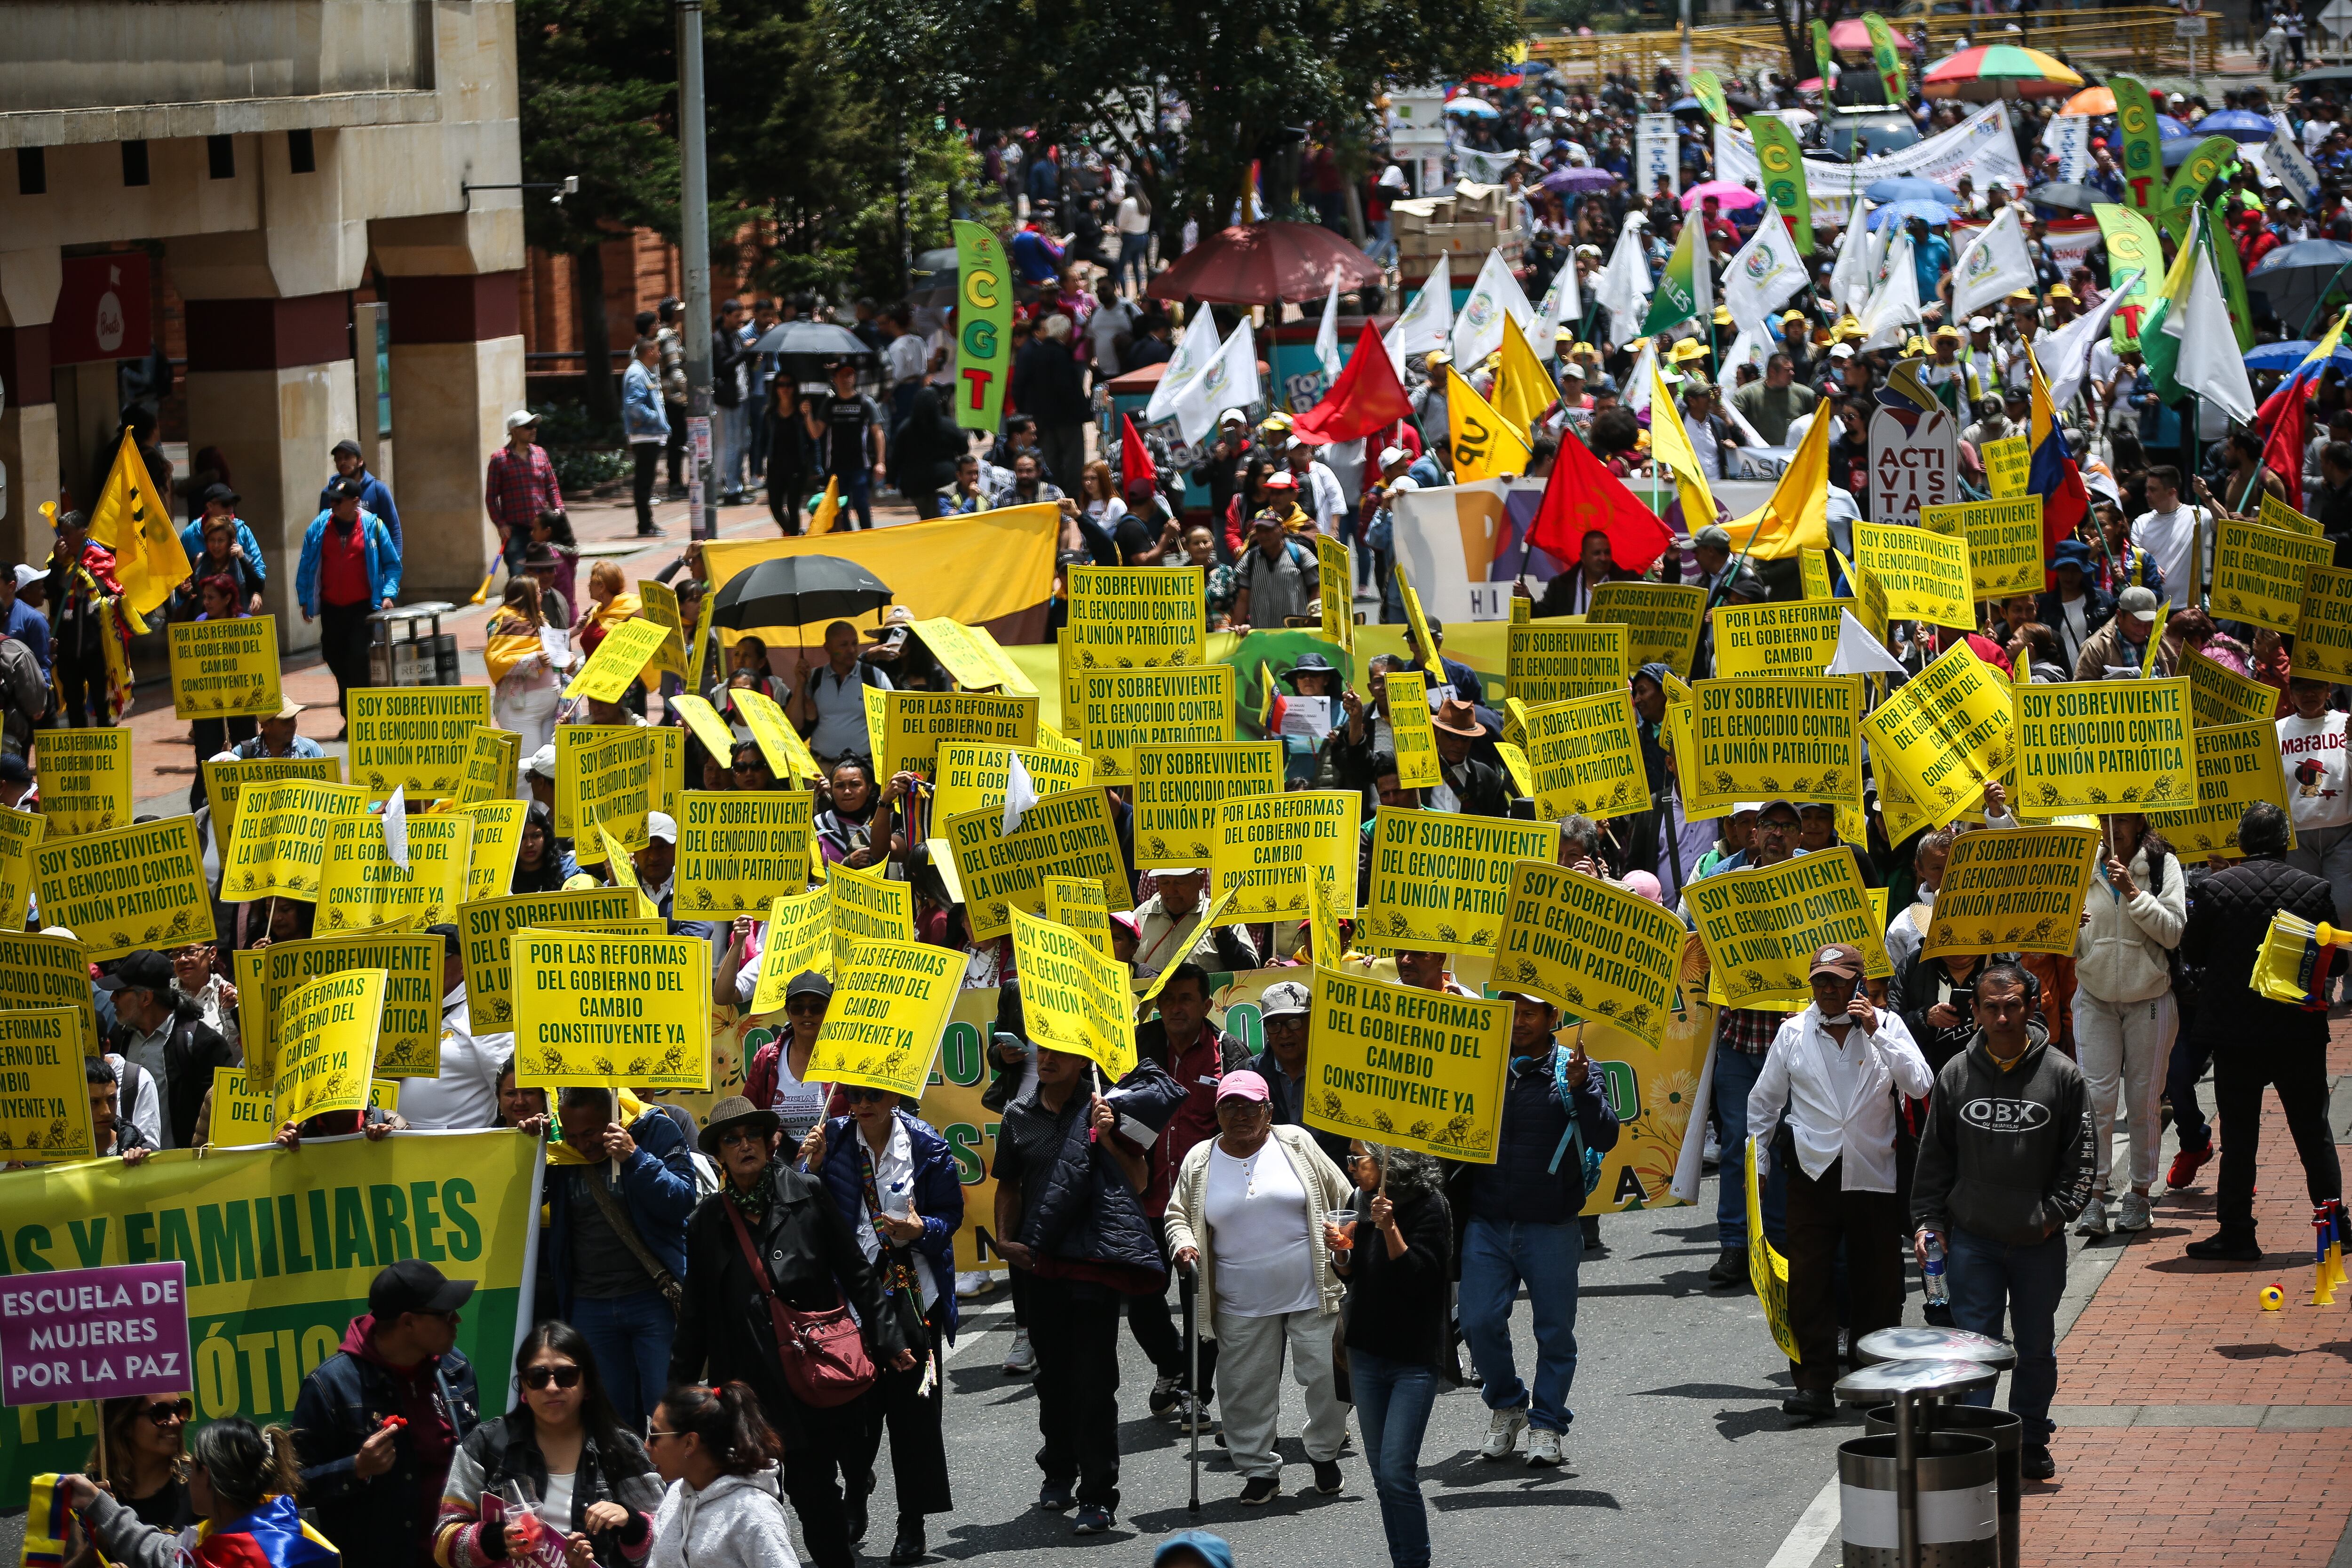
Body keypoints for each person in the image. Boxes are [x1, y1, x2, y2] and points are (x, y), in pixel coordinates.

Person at [670, 1097, 912, 1568]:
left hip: (815, 1374)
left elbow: (856, 1272)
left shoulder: (806, 1193)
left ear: (769, 1141)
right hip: (747, 1391)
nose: (744, 1147)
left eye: (751, 1137)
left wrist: (889, 1337)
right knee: (760, 1501)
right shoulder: (705, 1223)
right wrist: (676, 1395)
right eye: (732, 1141)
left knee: (817, 1491)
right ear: (720, 1155)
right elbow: (695, 1316)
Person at [1911, 960, 2094, 1483]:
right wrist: (1928, 1221)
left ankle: (2031, 1440)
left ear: (2030, 1007)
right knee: (1974, 1350)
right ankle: (1976, 1444)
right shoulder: (1955, 1074)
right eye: (1990, 1007)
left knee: (2035, 1346)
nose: (2002, 1017)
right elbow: (1934, 1159)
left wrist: (2050, 1216)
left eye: (2012, 1005)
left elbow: (2082, 1161)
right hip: (1973, 1243)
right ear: (1975, 1012)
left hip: (2038, 1245)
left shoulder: (2062, 1075)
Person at [1748, 943, 1933, 1423]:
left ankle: (1875, 1379)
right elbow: (1763, 1105)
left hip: (1873, 1169)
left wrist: (1877, 1033)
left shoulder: (1888, 1026)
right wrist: (1759, 1168)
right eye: (1819, 981)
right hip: (1811, 1172)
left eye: (1836, 980)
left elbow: (1920, 1084)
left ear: (1857, 983)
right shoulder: (1791, 1032)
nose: (1827, 989)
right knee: (1808, 1280)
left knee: (1878, 1280)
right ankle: (1812, 1384)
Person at [992, 1043, 1160, 1536]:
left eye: (1060, 1054)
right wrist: (1005, 1241)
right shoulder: (1016, 1116)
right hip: (1038, 1264)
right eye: (1041, 1052)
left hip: (1093, 1264)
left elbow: (1140, 1181)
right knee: (1052, 1379)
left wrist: (1109, 1138)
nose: (1047, 1061)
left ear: (1081, 1060)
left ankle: (1098, 1494)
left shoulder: (1107, 1107)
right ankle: (1058, 1470)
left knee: (1092, 1381)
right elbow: (1007, 1185)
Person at [1445, 992, 1617, 1465]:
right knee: (1478, 1322)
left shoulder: (1576, 1070)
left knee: (1554, 1332)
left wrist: (1582, 1090)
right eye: (1511, 1013)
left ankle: (1546, 1424)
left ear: (1551, 1018)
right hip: (1487, 1222)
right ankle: (1506, 1405)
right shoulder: (1481, 1065)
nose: (1518, 1023)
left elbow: (1605, 1135)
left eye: (1529, 1014)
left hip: (1552, 1225)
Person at [1165, 1070, 1353, 1504]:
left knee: (1328, 1377)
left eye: (1251, 1106)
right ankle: (1259, 1469)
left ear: (1269, 1111)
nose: (1241, 1115)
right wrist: (1185, 1243)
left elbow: (1343, 1194)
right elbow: (1177, 1215)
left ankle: (1324, 1453)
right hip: (1239, 1300)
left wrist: (1346, 1236)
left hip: (1312, 1289)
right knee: (1244, 1390)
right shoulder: (1200, 1159)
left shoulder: (1295, 1143)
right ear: (1217, 1114)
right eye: (1230, 1106)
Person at [802, 1086, 963, 1564]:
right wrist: (809, 1169)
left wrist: (920, 1231)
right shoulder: (829, 1139)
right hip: (849, 1301)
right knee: (852, 1412)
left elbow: (949, 1216)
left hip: (915, 1299)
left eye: (874, 1095)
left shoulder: (927, 1144)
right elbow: (799, 1209)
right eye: (855, 1095)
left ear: (894, 1097)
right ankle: (855, 1489)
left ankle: (911, 1524)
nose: (863, 1104)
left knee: (915, 1415)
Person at [2180, 802, 2345, 1259]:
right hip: (2298, 1033)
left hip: (2236, 1036)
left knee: (2238, 1137)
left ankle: (2237, 1232)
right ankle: (2334, 1229)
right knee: (2313, 1134)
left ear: (2240, 841)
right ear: (2284, 840)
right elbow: (2338, 960)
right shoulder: (2314, 888)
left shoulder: (2214, 889)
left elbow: (2191, 950)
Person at [293, 1260, 484, 1568]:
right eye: (446, 1313)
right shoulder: (330, 1386)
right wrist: (355, 1468)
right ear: (408, 1322)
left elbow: (475, 1465)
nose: (458, 1319)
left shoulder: (456, 1369)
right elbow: (293, 1486)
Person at [432, 1321, 662, 1568]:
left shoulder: (621, 1448)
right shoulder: (485, 1444)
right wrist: (497, 1541)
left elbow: (664, 1543)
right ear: (523, 1385)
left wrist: (632, 1524)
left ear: (587, 1384)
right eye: (538, 1377)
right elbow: (444, 1546)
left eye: (566, 1376)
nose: (552, 1388)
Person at [1325, 1138, 1453, 1568]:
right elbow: (1352, 1274)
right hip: (1366, 1351)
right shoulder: (1358, 1200)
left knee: (1398, 1472)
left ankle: (1416, 1562)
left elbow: (1421, 1279)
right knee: (1382, 1476)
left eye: (1356, 1159)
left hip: (1413, 1357)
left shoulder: (1429, 1204)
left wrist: (1390, 1228)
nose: (1351, 1168)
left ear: (1387, 1160)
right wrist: (1341, 1250)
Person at [540, 1084, 696, 1426]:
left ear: (612, 1119)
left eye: (590, 1134)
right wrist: (529, 1142)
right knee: (609, 1418)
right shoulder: (556, 1147)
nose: (582, 1146)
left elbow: (682, 1200)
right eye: (573, 1136)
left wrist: (636, 1158)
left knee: (667, 1414)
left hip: (652, 1299)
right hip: (589, 1304)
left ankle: (671, 1481)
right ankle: (625, 1480)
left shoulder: (656, 1128)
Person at [1696, 799, 1803, 1286]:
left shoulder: (1818, 882)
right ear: (1752, 833)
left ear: (1800, 837)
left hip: (1796, 1046)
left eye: (1786, 827)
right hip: (1740, 1040)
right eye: (1768, 826)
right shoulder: (1720, 880)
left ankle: (1780, 1245)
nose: (1776, 834)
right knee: (1742, 1143)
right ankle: (1735, 1245)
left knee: (1787, 1146)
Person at [2069, 816, 2184, 1238]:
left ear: (2138, 821)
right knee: (2096, 1100)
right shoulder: (2081, 862)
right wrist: (2071, 928)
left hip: (2149, 999)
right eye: (2103, 820)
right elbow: (2060, 938)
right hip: (2095, 997)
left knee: (2143, 1101)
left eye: (2118, 820)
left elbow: (2172, 932)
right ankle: (2094, 1196)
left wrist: (2133, 893)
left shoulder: (2162, 864)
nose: (2109, 828)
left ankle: (2139, 1191)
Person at [59, 1418, 319, 1568]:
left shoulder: (239, 1558)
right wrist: (97, 1500)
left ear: (205, 1475)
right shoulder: (271, 1526)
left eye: (192, 1466)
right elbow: (164, 1551)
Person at [643, 1385, 799, 1568]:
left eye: (654, 1435)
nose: (646, 1445)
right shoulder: (676, 1496)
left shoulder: (754, 1515)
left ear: (690, 1443)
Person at [100, 948, 238, 1150]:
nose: (113, 999)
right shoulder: (120, 1039)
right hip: (127, 1170)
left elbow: (220, 1116)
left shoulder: (203, 1044)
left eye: (120, 992)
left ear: (146, 999)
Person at [296, 476, 403, 724]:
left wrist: (388, 594)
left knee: (358, 657)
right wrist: (305, 598)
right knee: (333, 655)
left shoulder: (373, 526)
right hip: (332, 606)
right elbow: (306, 565)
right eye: (331, 498)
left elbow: (392, 565)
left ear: (356, 502)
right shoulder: (320, 526)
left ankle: (358, 720)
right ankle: (354, 709)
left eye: (339, 500)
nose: (332, 503)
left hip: (362, 607)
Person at [400, 925, 507, 1131]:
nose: (427, 964)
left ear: (464, 965)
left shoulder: (484, 1014)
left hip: (459, 1149)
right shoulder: (403, 1009)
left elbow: (510, 1087)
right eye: (423, 957)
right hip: (394, 1144)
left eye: (439, 957)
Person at [1245, 980, 1350, 1163]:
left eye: (1294, 1023)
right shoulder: (1250, 1075)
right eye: (1274, 1026)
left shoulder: (1341, 1070)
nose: (1284, 1034)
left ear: (1313, 1021)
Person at [46, 508, 131, 728]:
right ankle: (80, 754)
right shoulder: (57, 562)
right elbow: (47, 591)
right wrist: (57, 565)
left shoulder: (100, 559)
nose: (62, 538)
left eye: (67, 533)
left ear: (84, 533)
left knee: (103, 706)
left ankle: (105, 746)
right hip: (67, 649)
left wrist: (86, 573)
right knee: (74, 706)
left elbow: (113, 591)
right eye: (61, 533)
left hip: (98, 647)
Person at [76, 1390, 192, 1540]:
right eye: (160, 1413)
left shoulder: (199, 1484)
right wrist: (99, 1540)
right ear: (125, 1425)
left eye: (180, 1410)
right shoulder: (93, 1492)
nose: (176, 1421)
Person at [484, 577, 568, 773]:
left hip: (549, 710)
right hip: (520, 711)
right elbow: (497, 661)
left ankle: (546, 806)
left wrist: (568, 658)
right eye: (538, 592)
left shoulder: (539, 619)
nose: (541, 595)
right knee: (528, 770)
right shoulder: (503, 622)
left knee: (549, 769)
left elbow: (552, 650)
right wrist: (533, 660)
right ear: (527, 596)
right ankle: (527, 806)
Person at [795, 621, 891, 763]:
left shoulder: (874, 676)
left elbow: (893, 720)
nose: (852, 650)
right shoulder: (814, 678)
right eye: (844, 645)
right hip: (821, 767)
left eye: (855, 643)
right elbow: (794, 724)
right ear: (827, 648)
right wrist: (800, 684)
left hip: (863, 768)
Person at [486, 411, 564, 569]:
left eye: (535, 426)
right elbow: (491, 498)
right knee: (519, 577)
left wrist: (559, 510)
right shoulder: (499, 459)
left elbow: (552, 487)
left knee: (544, 576)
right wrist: (501, 525)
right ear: (514, 431)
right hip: (515, 531)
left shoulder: (540, 454)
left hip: (542, 529)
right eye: (528, 427)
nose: (534, 430)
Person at [821, 361, 886, 531]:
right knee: (841, 506)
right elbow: (816, 432)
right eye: (842, 375)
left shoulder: (866, 403)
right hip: (835, 465)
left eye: (850, 375)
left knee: (861, 503)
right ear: (835, 379)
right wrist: (806, 415)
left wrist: (881, 462)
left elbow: (878, 432)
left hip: (860, 464)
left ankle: (867, 535)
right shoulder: (829, 404)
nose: (846, 379)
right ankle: (847, 536)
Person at [622, 337, 671, 538]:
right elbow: (634, 405)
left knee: (646, 481)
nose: (660, 354)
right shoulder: (636, 373)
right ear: (649, 351)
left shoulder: (643, 371)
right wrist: (655, 418)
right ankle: (645, 525)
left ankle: (647, 523)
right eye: (658, 350)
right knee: (644, 482)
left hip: (648, 435)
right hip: (644, 435)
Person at [327, 440, 404, 555]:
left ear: (360, 461)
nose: (343, 462)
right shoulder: (329, 493)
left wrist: (394, 566)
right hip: (339, 565)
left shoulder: (378, 490)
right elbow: (322, 530)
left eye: (348, 457)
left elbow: (393, 529)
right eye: (338, 459)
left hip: (371, 564)